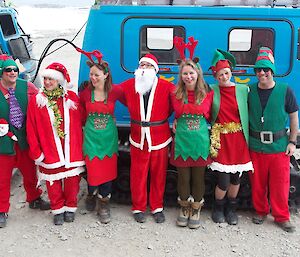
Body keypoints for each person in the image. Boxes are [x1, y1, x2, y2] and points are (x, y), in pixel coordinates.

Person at [119, 53, 175, 223]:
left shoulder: (167, 87)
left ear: (155, 70)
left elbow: (175, 105)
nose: (144, 68)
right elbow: (112, 92)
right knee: (138, 174)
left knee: (159, 174)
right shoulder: (129, 86)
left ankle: (157, 207)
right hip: (138, 138)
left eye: (148, 65)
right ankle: (138, 207)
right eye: (141, 65)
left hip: (159, 137)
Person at [26, 62, 85, 225]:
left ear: (59, 81)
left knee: (73, 183)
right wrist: (37, 152)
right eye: (45, 79)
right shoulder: (37, 101)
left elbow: (83, 119)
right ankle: (57, 209)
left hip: (71, 151)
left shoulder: (72, 98)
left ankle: (70, 207)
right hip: (49, 151)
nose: (46, 82)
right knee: (53, 184)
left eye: (51, 79)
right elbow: (31, 128)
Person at [248, 47, 299, 233]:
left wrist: (292, 141)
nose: (262, 73)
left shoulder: (286, 91)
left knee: (280, 184)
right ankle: (261, 211)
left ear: (272, 71)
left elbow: (294, 117)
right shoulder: (249, 90)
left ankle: (282, 216)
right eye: (258, 70)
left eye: (265, 69)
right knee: (257, 183)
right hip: (255, 146)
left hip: (279, 146)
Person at [0, 56, 50, 228]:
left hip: (24, 139)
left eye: (15, 69)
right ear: (2, 73)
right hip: (3, 143)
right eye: (8, 70)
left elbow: (42, 101)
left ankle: (34, 198)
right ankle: (2, 210)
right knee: (3, 178)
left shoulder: (26, 86)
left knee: (29, 172)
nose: (13, 73)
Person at [208, 49, 253, 225]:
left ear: (231, 72)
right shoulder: (212, 90)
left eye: (226, 73)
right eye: (220, 75)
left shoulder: (243, 90)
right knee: (223, 181)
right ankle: (217, 208)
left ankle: (231, 209)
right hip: (221, 140)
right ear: (215, 76)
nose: (223, 77)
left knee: (236, 178)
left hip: (238, 139)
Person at [170, 58, 213, 229]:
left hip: (200, 141)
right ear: (181, 76)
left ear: (198, 74)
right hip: (182, 141)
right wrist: (174, 120)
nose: (188, 76)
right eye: (185, 73)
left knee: (198, 177)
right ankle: (184, 208)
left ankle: (196, 208)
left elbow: (213, 114)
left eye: (191, 73)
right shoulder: (175, 93)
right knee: (183, 177)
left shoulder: (208, 93)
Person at [79, 56, 121, 224]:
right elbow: (78, 110)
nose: (93, 78)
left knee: (108, 170)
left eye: (97, 75)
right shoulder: (85, 93)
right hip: (91, 137)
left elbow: (133, 98)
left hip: (108, 138)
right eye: (91, 75)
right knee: (92, 167)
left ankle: (104, 203)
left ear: (106, 75)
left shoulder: (115, 91)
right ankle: (91, 194)